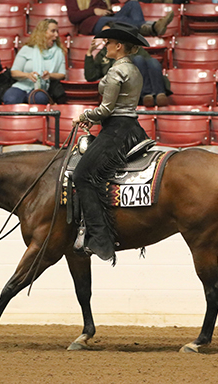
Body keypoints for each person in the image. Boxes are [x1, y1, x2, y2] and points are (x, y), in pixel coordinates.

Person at [71, 23, 149, 262]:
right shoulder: (133, 69)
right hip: (131, 128)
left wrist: (84, 116)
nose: (105, 46)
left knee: (82, 176)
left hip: (117, 131)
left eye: (108, 42)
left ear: (118, 46)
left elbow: (106, 109)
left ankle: (100, 238)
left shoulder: (117, 71)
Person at [84, 22, 171, 107]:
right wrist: (89, 54)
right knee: (138, 60)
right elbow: (91, 77)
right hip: (123, 87)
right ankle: (147, 95)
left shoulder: (134, 48)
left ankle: (159, 94)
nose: (105, 38)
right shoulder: (103, 54)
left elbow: (149, 64)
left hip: (138, 83)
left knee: (152, 62)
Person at [65, 0, 174, 37]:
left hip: (109, 17)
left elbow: (117, 2)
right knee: (116, 20)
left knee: (133, 4)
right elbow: (73, 17)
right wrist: (94, 11)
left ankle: (142, 32)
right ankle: (151, 27)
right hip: (92, 23)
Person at [3, 19, 67, 105]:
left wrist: (50, 75)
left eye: (57, 31)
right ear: (42, 33)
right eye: (53, 31)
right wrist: (27, 75)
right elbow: (14, 72)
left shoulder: (59, 52)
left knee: (38, 99)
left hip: (41, 87)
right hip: (22, 85)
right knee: (11, 98)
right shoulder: (27, 49)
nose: (56, 35)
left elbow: (62, 74)